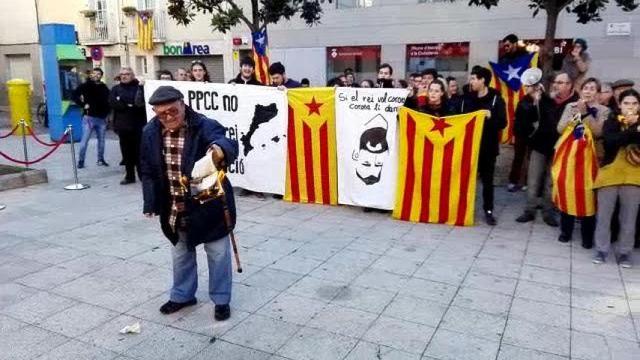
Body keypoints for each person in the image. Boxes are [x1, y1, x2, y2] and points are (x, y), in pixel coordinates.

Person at [140, 85, 238, 320]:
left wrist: (219, 149)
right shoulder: (150, 131)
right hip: (174, 205)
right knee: (180, 253)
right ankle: (183, 295)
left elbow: (225, 141)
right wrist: (150, 202)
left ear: (183, 104)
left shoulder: (203, 125)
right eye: (161, 113)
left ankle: (221, 299)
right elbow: (147, 168)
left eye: (173, 110)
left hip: (208, 204)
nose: (168, 117)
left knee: (218, 253)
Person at [555, 78, 610, 247]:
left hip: (592, 159)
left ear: (598, 93)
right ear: (580, 91)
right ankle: (566, 231)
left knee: (588, 195)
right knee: (568, 191)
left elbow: (598, 132)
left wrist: (586, 113)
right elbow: (560, 129)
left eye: (592, 88)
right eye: (586, 88)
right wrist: (576, 114)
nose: (588, 91)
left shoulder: (604, 111)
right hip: (570, 158)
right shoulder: (570, 107)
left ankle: (587, 236)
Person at [592, 89, 640, 267]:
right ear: (619, 105)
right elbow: (611, 141)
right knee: (604, 215)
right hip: (610, 174)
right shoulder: (611, 121)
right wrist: (633, 129)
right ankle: (601, 249)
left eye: (635, 103)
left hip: (634, 176)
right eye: (627, 103)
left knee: (629, 217)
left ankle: (625, 253)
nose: (631, 107)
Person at [460, 66, 507, 225]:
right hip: (468, 147)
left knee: (487, 182)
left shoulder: (496, 99)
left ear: (483, 80)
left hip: (487, 148)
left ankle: (488, 210)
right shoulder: (468, 98)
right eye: (471, 78)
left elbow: (503, 123)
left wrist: (490, 116)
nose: (470, 81)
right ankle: (464, 208)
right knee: (465, 180)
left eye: (474, 78)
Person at [514, 68, 560, 227]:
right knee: (533, 180)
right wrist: (534, 104)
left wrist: (543, 99)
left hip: (553, 145)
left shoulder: (549, 101)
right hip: (537, 146)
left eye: (533, 85)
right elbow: (521, 126)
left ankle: (548, 212)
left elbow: (552, 119)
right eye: (528, 86)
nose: (530, 88)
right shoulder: (524, 103)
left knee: (550, 181)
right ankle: (529, 210)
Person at [109, 67, 146, 185]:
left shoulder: (139, 87)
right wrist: (127, 104)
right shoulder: (115, 89)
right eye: (122, 74)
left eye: (127, 74)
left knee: (140, 152)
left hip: (138, 126)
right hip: (123, 127)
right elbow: (114, 103)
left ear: (133, 75)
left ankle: (142, 175)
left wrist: (126, 103)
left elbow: (138, 104)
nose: (124, 76)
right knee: (126, 153)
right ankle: (129, 176)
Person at [72, 67, 110, 169]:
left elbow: (109, 101)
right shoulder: (85, 85)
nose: (96, 75)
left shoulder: (104, 87)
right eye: (94, 73)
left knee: (101, 141)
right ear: (91, 75)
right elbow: (74, 95)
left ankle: (100, 159)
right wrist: (82, 104)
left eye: (99, 74)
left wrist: (107, 114)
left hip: (101, 118)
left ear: (101, 76)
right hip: (89, 117)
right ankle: (81, 161)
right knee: (84, 141)